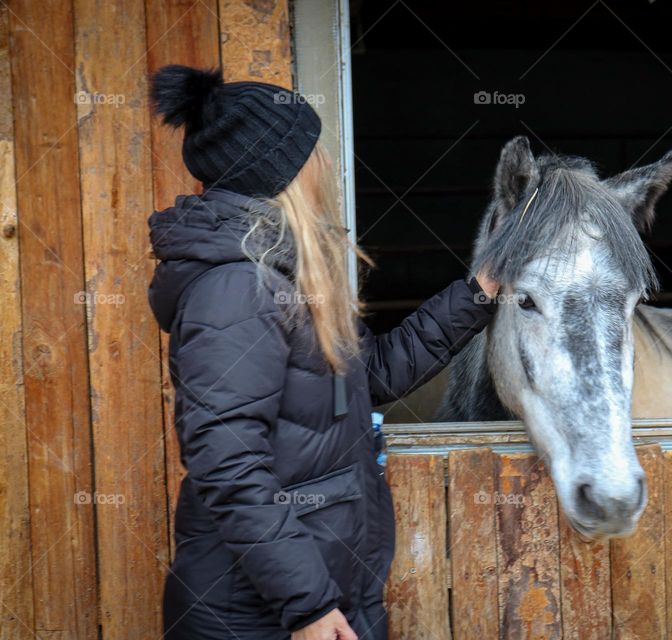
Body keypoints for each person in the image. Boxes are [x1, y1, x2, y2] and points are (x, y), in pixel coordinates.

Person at [148, 65, 498, 640]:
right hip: (256, 614)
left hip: (320, 588)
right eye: (313, 151)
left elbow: (369, 377)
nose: (326, 164)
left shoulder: (284, 277)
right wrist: (306, 607)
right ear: (280, 171)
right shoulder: (239, 288)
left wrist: (476, 294)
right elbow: (228, 465)